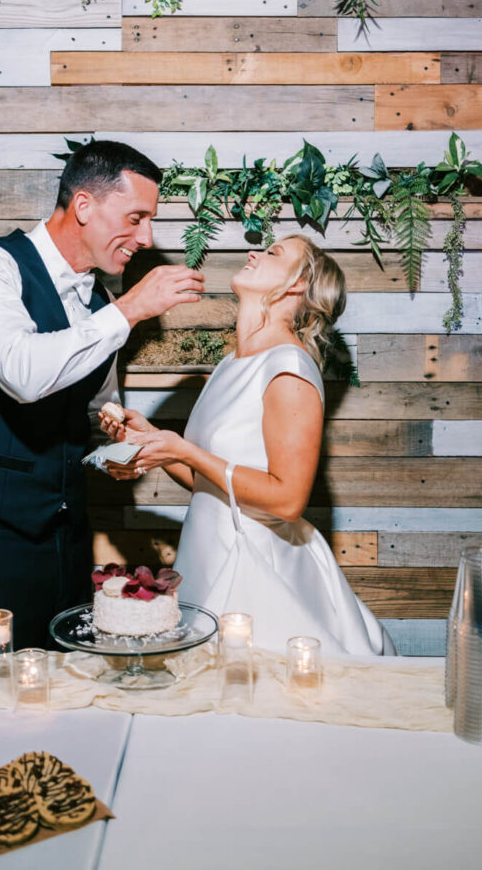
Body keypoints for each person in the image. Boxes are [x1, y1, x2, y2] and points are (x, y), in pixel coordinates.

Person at [0, 140, 204, 652]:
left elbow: (96, 413)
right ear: (83, 206)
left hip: (70, 542)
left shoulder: (97, 300)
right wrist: (129, 310)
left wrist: (115, 449)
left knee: (73, 707)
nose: (146, 237)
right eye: (137, 216)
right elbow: (23, 374)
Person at [101, 234, 395, 656]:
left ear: (297, 284)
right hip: (206, 550)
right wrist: (154, 441)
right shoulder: (230, 365)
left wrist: (183, 449)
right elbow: (210, 482)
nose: (254, 253)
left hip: (255, 566)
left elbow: (288, 499)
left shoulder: (288, 367)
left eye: (273, 252)